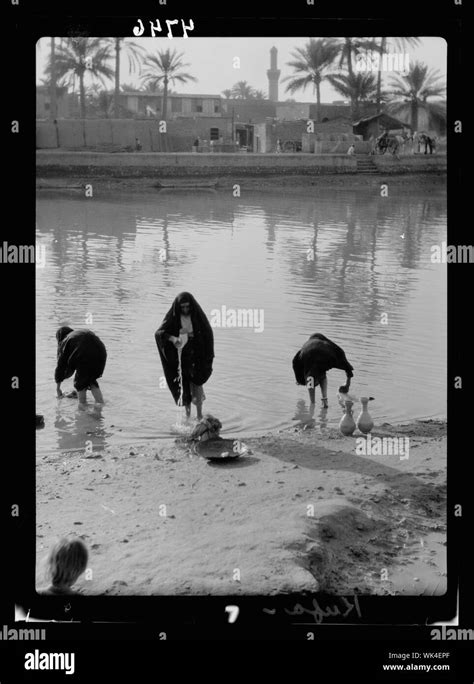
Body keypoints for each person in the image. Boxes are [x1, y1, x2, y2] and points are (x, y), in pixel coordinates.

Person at [155, 292, 214, 420]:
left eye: (188, 307)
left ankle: (199, 415)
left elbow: (208, 333)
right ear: (178, 307)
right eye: (183, 307)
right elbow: (160, 333)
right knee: (184, 384)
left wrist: (206, 353)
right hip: (182, 355)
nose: (186, 310)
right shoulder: (174, 316)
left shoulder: (197, 316)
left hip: (197, 354)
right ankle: (187, 416)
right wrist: (173, 338)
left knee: (197, 383)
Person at [292, 333, 354, 409]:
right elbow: (341, 355)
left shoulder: (305, 347)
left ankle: (312, 404)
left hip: (308, 355)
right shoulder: (327, 344)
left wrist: (299, 379)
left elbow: (295, 363)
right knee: (322, 373)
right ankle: (324, 400)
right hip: (326, 354)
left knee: (310, 377)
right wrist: (348, 383)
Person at [55, 327, 107, 405]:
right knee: (91, 380)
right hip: (101, 352)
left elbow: (61, 366)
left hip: (84, 355)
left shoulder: (65, 340)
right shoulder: (76, 334)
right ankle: (100, 404)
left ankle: (82, 407)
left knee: (80, 383)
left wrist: (58, 388)